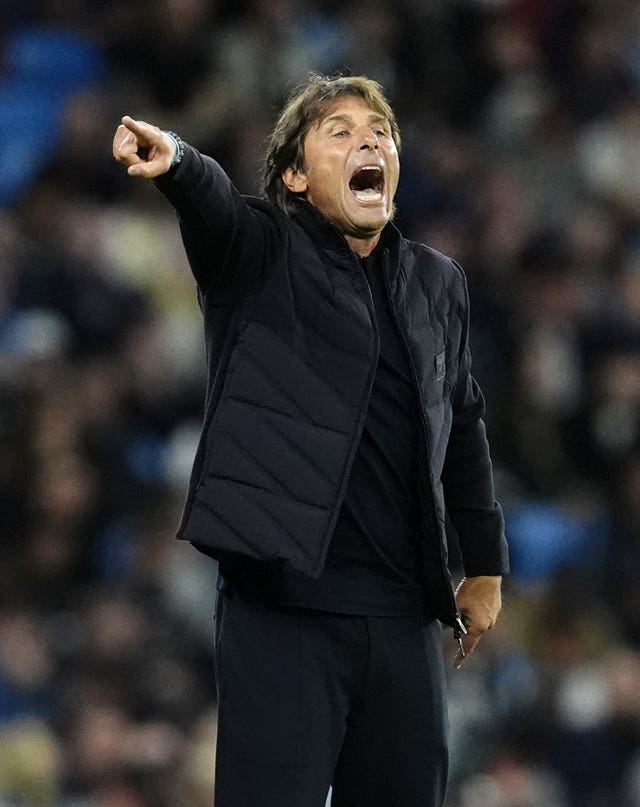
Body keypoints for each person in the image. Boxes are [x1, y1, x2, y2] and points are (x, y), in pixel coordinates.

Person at [112, 74, 508, 807]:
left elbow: (463, 420)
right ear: (294, 175)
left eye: (381, 131)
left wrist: (483, 564)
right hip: (283, 610)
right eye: (340, 130)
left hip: (403, 617)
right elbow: (216, 209)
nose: (370, 140)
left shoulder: (437, 282)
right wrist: (178, 162)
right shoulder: (261, 253)